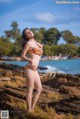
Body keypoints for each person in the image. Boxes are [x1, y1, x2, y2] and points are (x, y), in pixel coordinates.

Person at [21, 28, 43, 113]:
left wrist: (34, 40)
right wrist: (31, 60)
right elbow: (22, 56)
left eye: (30, 31)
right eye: (27, 32)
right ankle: (29, 110)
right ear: (26, 36)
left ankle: (32, 108)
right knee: (30, 89)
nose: (30, 32)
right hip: (29, 68)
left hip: (35, 69)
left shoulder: (35, 43)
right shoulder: (29, 43)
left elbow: (41, 46)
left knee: (39, 89)